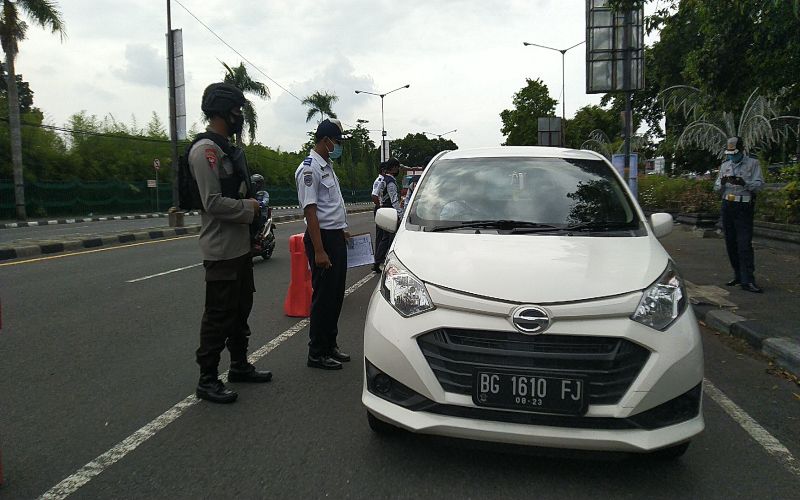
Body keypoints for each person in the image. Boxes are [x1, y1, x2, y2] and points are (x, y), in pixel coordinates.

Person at [190, 82, 273, 404]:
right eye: (237, 111)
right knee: (218, 315)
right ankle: (207, 378)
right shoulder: (205, 151)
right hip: (221, 249)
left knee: (240, 311)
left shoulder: (225, 148)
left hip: (239, 247)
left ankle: (239, 364)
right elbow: (211, 202)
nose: (240, 116)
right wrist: (248, 209)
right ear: (223, 111)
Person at [295, 118, 352, 370]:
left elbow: (332, 206)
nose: (338, 146)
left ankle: (330, 345)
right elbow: (311, 212)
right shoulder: (309, 169)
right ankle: (316, 352)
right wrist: (319, 250)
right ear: (325, 140)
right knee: (323, 298)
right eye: (336, 142)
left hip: (334, 236)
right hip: (322, 239)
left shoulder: (327, 166)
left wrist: (343, 231)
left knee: (336, 295)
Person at [713, 136, 765, 293]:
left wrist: (744, 183)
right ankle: (738, 275)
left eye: (734, 153)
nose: (731, 156)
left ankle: (748, 279)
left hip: (743, 205)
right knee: (730, 242)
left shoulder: (753, 164)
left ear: (742, 150)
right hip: (727, 205)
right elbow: (716, 188)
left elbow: (759, 185)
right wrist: (722, 184)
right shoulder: (725, 165)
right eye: (729, 153)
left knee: (744, 244)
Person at [374, 157, 402, 270]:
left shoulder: (383, 179)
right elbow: (394, 200)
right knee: (390, 238)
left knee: (384, 237)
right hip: (390, 211)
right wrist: (400, 215)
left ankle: (378, 260)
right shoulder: (390, 182)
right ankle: (382, 261)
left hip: (383, 210)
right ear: (394, 168)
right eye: (397, 167)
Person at [371, 162, 387, 273]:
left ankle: (378, 259)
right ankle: (377, 261)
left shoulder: (383, 180)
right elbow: (374, 195)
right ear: (383, 170)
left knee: (382, 236)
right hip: (380, 209)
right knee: (381, 236)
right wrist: (379, 206)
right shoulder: (380, 181)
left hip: (381, 209)